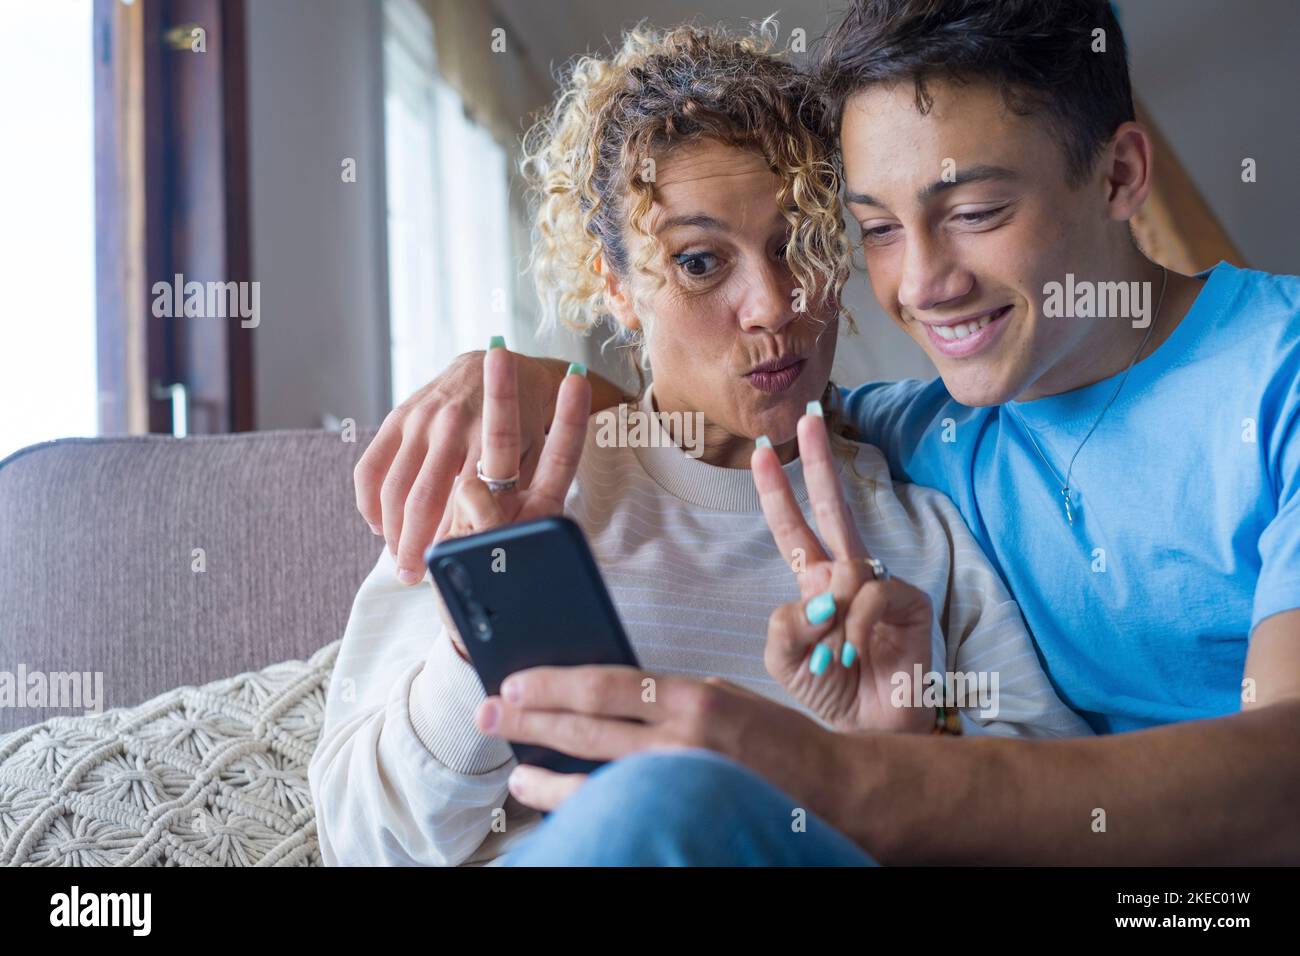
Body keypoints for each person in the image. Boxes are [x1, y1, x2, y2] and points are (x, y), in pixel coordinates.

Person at [355, 0, 1300, 865]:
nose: (924, 284)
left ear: (1123, 175)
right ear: (615, 282)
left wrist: (874, 756)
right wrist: (531, 405)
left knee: (664, 804)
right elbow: (715, 437)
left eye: (974, 213)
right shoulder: (928, 431)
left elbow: (1279, 775)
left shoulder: (932, 483)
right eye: (879, 229)